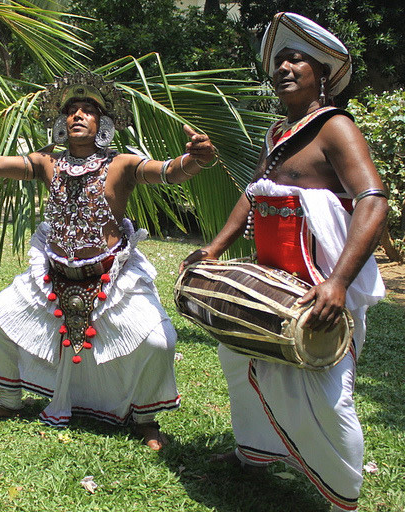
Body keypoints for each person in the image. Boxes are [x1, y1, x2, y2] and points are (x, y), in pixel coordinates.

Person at [0, 72, 217, 450]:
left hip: (111, 278)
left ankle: (144, 419)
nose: (78, 115)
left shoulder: (122, 164)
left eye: (88, 110)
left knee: (159, 341)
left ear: (103, 124)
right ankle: (9, 401)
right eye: (71, 110)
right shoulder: (48, 161)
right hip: (54, 276)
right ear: (62, 123)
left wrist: (195, 160)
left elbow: (168, 172)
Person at [180, 12, 388, 511]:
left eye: (298, 59)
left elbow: (373, 201)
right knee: (243, 359)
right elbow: (254, 197)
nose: (285, 67)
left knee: (326, 391)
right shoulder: (278, 133)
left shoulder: (336, 127)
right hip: (271, 279)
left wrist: (337, 284)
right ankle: (255, 452)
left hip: (319, 284)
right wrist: (213, 249)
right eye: (279, 60)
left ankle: (343, 493)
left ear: (323, 75)